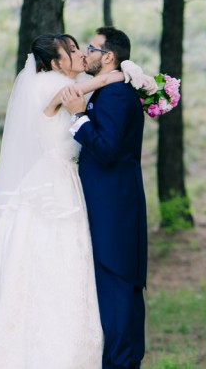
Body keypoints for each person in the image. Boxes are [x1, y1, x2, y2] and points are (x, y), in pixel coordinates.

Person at [0, 33, 152, 369]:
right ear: (55, 63)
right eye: (72, 50)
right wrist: (119, 74)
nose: (80, 53)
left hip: (72, 186)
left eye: (83, 48)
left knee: (76, 268)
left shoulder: (90, 85)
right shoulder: (50, 85)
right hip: (54, 187)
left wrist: (121, 75)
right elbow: (71, 98)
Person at [62, 26, 148, 369]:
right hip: (111, 205)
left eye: (91, 47)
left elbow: (108, 150)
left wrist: (80, 116)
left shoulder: (114, 94)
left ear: (108, 56)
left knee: (116, 288)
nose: (87, 52)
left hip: (113, 209)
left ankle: (121, 363)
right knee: (115, 290)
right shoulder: (109, 89)